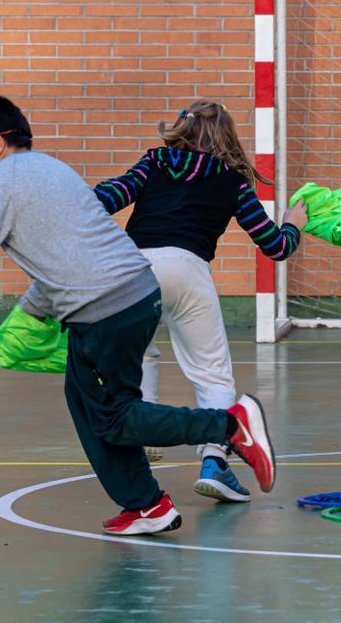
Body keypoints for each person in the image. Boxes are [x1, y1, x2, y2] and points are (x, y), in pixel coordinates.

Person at [0, 94, 277, 536]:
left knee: (115, 414)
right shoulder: (52, 169)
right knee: (88, 401)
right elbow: (70, 250)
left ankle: (228, 424)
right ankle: (148, 505)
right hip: (132, 294)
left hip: (111, 303)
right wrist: (33, 309)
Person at [94, 100, 304, 503]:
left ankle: (143, 433)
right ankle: (215, 462)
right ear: (227, 136)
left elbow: (108, 197)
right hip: (188, 271)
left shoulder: (154, 161)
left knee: (140, 353)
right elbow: (275, 246)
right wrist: (294, 223)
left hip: (134, 269)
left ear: (180, 129)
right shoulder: (233, 181)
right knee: (211, 374)